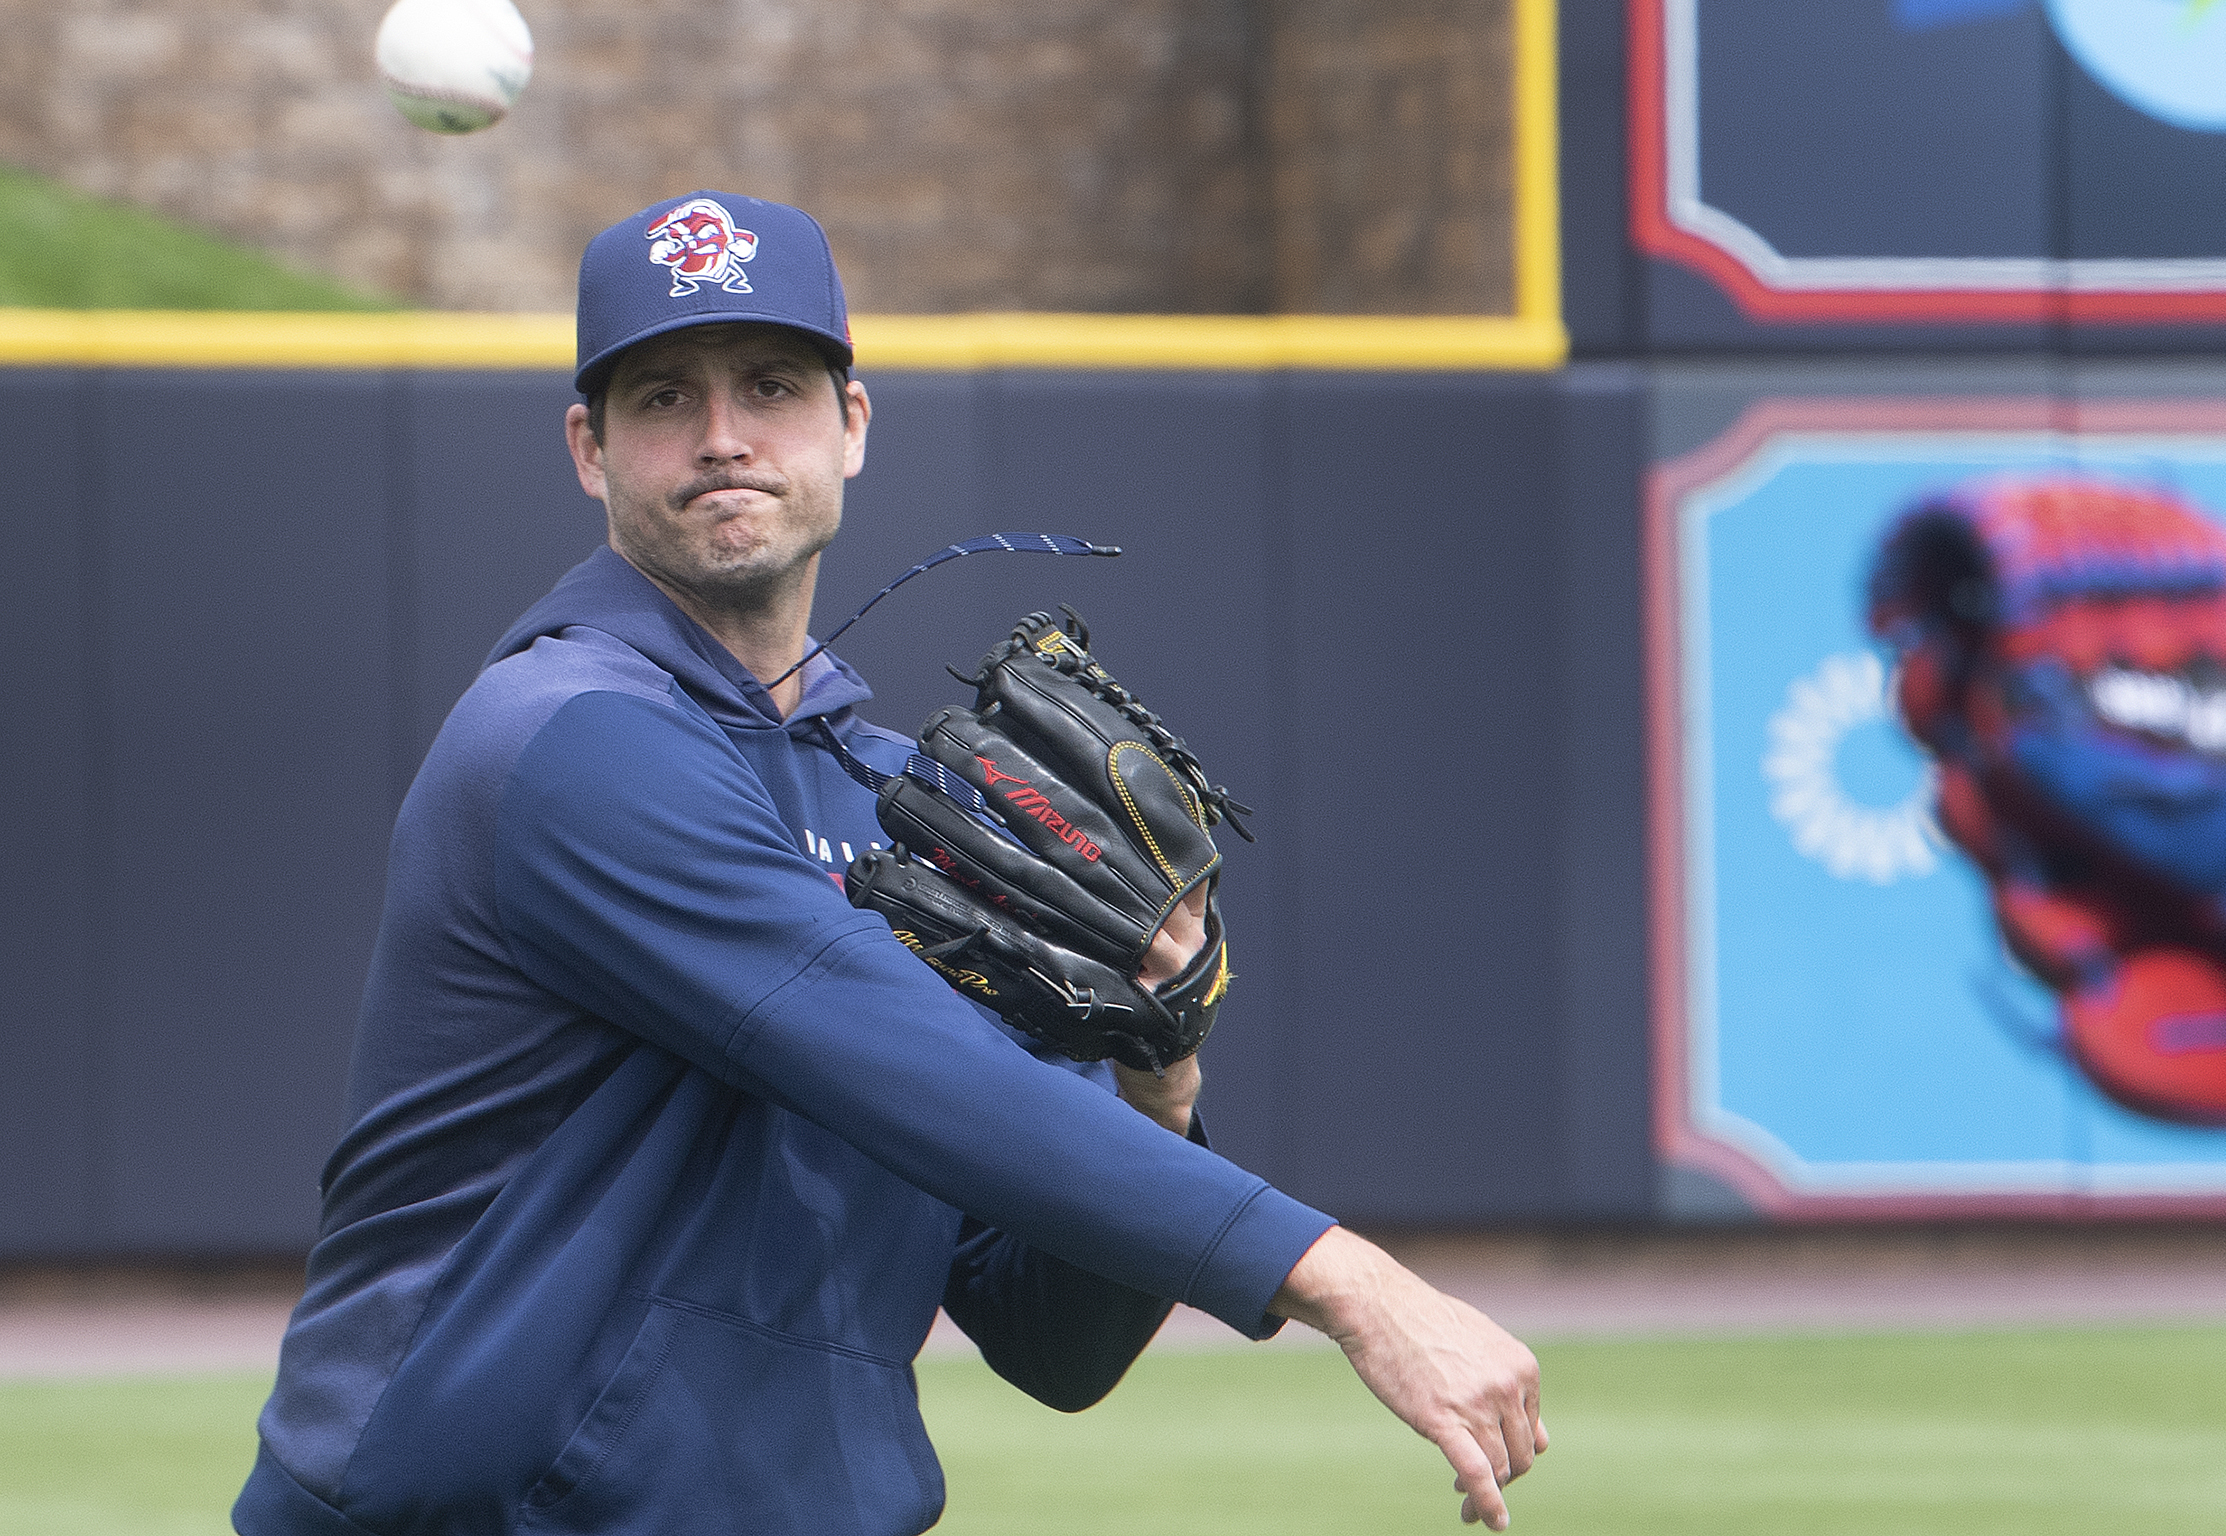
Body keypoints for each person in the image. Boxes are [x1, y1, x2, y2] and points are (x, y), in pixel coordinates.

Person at [232, 190, 1546, 1536]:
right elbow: (897, 1052)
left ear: (852, 426)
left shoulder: (896, 801)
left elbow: (1052, 1335)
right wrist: (1349, 1279)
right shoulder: (565, 740)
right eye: (664, 397)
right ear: (590, 448)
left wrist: (1159, 1072)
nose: (725, 437)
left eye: (773, 385)